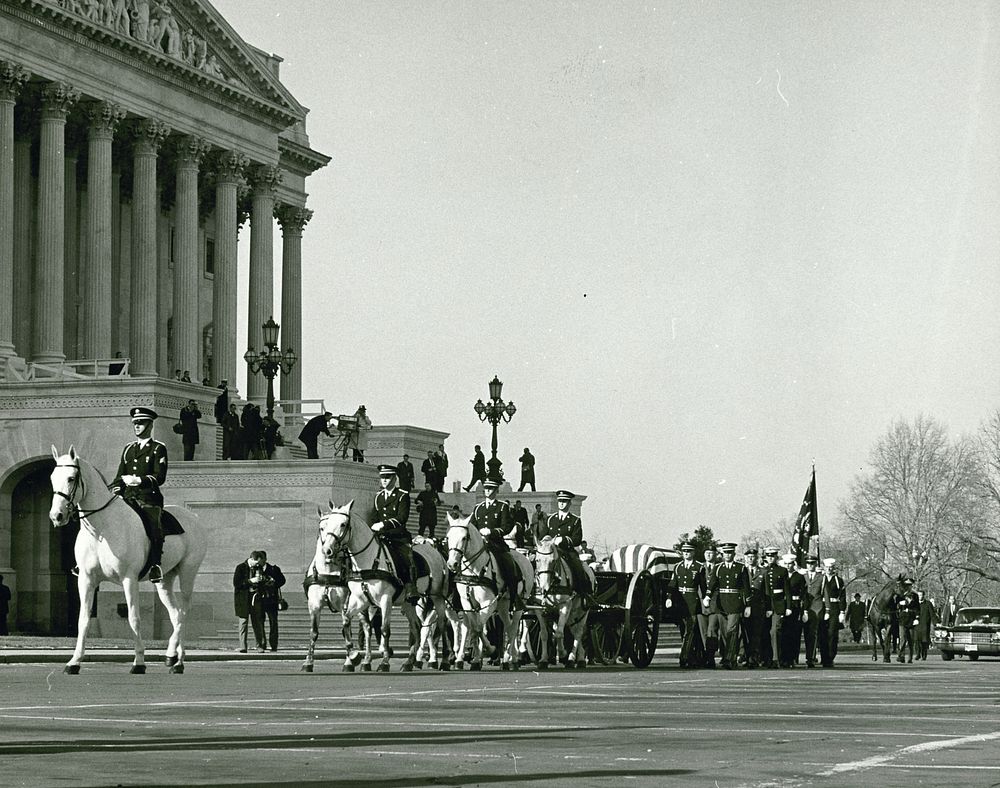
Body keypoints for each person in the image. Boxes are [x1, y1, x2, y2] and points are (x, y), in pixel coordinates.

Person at [110, 406, 168, 583]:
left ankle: (155, 565)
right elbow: (120, 475)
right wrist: (117, 489)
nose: (137, 426)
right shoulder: (128, 449)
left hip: (147, 497)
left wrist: (139, 481)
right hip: (127, 497)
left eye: (141, 423)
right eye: (135, 423)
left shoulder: (158, 449)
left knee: (154, 525)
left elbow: (160, 477)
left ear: (150, 426)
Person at [470, 477, 522, 609]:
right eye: (486, 488)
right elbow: (473, 526)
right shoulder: (478, 508)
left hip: (496, 544)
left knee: (509, 563)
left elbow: (507, 526)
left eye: (491, 488)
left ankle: (514, 596)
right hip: (480, 544)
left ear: (496, 490)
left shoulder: (502, 506)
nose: (487, 491)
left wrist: (492, 532)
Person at [371, 464, 418, 600]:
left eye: (387, 477)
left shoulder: (402, 495)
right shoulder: (378, 497)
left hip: (398, 537)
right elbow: (374, 516)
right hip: (381, 537)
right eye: (382, 477)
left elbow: (402, 518)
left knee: (405, 558)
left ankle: (410, 587)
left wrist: (383, 524)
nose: (384, 480)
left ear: (394, 478)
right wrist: (374, 525)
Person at [538, 490, 590, 595]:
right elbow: (542, 535)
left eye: (565, 501)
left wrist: (563, 540)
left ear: (569, 503)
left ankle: (583, 595)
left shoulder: (575, 520)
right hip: (551, 551)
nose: (561, 503)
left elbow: (577, 539)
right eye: (560, 501)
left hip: (567, 552)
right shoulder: (550, 519)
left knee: (578, 567)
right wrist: (547, 540)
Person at [710, 542, 750, 670]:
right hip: (721, 603)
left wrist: (748, 605)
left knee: (731, 631)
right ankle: (728, 655)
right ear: (722, 554)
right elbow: (712, 584)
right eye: (725, 553)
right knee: (724, 632)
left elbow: (746, 587)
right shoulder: (718, 568)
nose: (727, 555)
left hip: (735, 603)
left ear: (734, 554)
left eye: (730, 553)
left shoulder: (741, 568)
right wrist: (707, 596)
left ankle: (730, 658)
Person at [667, 542, 702, 667]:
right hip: (681, 603)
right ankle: (691, 657)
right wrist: (669, 597)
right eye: (684, 551)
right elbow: (672, 584)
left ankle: (684, 657)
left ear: (693, 553)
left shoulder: (699, 567)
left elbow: (703, 587)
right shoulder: (678, 567)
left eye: (689, 551)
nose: (686, 553)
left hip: (692, 601)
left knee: (690, 631)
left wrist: (705, 601)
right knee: (684, 631)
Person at [761, 547, 791, 668]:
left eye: (772, 556)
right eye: (768, 556)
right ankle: (765, 658)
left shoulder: (782, 571)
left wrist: (788, 606)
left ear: (776, 557)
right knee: (764, 632)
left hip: (778, 605)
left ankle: (776, 659)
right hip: (764, 605)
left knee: (775, 631)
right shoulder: (763, 571)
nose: (770, 558)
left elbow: (787, 591)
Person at [250, 550, 285, 652]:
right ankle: (262, 643)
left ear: (264, 559)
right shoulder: (254, 569)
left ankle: (274, 644)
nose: (258, 562)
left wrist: (273, 581)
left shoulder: (274, 569)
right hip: (259, 599)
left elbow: (282, 580)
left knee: (273, 622)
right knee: (260, 623)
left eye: (259, 560)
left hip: (271, 599)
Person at [817, 557, 846, 667]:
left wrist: (842, 611)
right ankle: (824, 657)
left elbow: (842, 597)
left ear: (834, 568)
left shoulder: (838, 581)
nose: (829, 569)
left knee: (832, 634)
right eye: (827, 567)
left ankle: (831, 656)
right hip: (822, 606)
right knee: (822, 633)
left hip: (834, 608)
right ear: (824, 568)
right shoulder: (821, 579)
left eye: (831, 567)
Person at [697, 546, 721, 667]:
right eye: (707, 553)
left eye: (711, 553)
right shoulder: (700, 567)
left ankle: (710, 657)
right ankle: (705, 656)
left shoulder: (719, 568)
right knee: (703, 632)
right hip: (701, 604)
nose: (709, 555)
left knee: (712, 630)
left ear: (715, 555)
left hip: (715, 603)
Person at [782, 553, 806, 666]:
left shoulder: (799, 577)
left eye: (790, 564)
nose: (788, 566)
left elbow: (803, 594)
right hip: (783, 605)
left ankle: (793, 657)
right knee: (784, 633)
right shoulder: (782, 575)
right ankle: (784, 657)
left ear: (793, 564)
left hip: (795, 605)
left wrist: (803, 609)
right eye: (786, 564)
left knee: (794, 633)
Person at [232, 553, 258, 652]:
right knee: (243, 623)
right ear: (251, 559)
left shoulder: (257, 568)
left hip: (255, 599)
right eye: (256, 562)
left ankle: (260, 646)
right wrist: (250, 581)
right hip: (243, 599)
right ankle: (243, 646)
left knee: (257, 623)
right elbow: (236, 583)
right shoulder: (241, 567)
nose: (257, 565)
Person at [895, 578, 919, 664]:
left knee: (911, 640)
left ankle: (910, 657)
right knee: (902, 639)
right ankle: (901, 656)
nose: (908, 587)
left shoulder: (915, 595)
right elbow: (896, 606)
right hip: (902, 619)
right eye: (907, 585)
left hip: (911, 619)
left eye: (910, 585)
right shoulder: (900, 595)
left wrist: (917, 618)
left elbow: (917, 608)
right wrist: (899, 604)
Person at [913, 590, 936, 661]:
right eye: (918, 595)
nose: (919, 597)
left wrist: (936, 623)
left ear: (923, 596)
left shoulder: (928, 604)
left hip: (925, 625)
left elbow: (932, 614)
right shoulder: (914, 604)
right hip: (916, 625)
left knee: (924, 641)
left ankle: (924, 655)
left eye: (921, 595)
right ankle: (917, 654)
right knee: (916, 640)